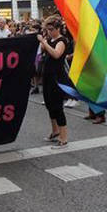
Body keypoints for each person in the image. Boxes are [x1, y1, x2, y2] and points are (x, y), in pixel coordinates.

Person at [38, 16, 69, 149]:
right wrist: (43, 42)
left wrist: (44, 43)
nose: (49, 32)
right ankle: (55, 131)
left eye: (51, 29)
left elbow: (56, 54)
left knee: (57, 107)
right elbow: (42, 51)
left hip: (57, 77)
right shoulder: (50, 39)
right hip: (48, 76)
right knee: (49, 105)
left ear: (58, 28)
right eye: (47, 29)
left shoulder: (62, 41)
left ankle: (64, 138)